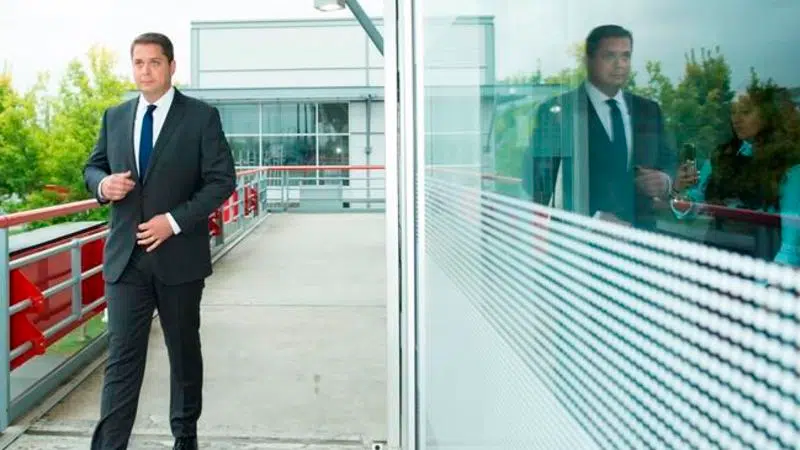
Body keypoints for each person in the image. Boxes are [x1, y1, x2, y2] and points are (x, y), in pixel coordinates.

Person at [83, 32, 236, 450]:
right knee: (121, 360)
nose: (146, 70)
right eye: (139, 63)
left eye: (154, 62)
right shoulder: (115, 116)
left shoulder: (201, 117)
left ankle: (185, 439)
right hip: (125, 260)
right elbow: (92, 168)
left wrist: (173, 221)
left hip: (179, 258)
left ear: (171, 67)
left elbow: (222, 181)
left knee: (183, 354)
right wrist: (103, 185)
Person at [522, 24, 694, 229]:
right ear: (589, 60)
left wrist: (665, 181)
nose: (619, 65)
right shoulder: (559, 111)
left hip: (642, 238)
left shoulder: (648, 110)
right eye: (609, 56)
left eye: (625, 56)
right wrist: (590, 219)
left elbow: (669, 161)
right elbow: (536, 182)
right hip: (583, 240)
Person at [671, 79, 800, 266]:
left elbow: (790, 246)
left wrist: (771, 278)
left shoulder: (788, 164)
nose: (736, 119)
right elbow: (690, 208)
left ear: (766, 115)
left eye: (745, 112)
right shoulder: (721, 156)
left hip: (761, 262)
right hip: (717, 256)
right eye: (733, 112)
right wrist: (679, 190)